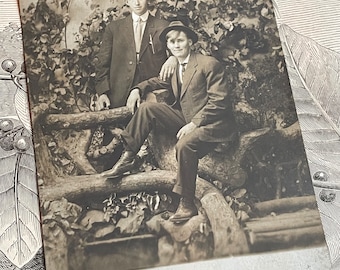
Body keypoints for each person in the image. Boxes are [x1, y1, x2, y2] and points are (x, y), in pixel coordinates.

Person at [100, 21, 238, 223]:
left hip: (214, 124)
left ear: (190, 41)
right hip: (188, 118)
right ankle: (128, 157)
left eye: (180, 40)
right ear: (168, 46)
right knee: (147, 108)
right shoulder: (175, 67)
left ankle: (187, 203)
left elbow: (221, 102)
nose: (176, 45)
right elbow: (157, 82)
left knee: (185, 144)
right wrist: (137, 89)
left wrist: (194, 124)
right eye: (171, 42)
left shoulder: (208, 64)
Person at [95, 0, 177, 112]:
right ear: (127, 1)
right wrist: (103, 92)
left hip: (152, 93)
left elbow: (179, 49)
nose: (137, 3)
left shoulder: (163, 26)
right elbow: (102, 63)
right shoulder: (114, 28)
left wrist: (173, 58)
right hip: (118, 95)